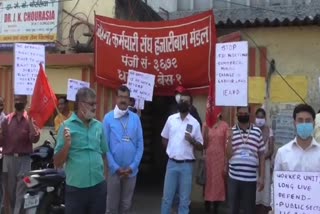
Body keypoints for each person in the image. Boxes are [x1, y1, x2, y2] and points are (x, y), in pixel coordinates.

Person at [53, 88, 108, 214]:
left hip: (98, 188)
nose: (95, 107)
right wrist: (67, 145)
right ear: (81, 104)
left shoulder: (98, 126)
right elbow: (57, 162)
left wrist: (104, 180)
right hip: (76, 190)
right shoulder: (66, 127)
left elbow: (104, 153)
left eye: (95, 104)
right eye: (91, 104)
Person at [268, 104, 320, 214]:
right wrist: (275, 207)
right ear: (294, 123)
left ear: (314, 123)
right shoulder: (282, 153)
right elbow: (275, 184)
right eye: (300, 120)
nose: (304, 124)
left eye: (308, 120)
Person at [160, 91, 203, 214]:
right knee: (167, 199)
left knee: (184, 200)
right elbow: (164, 137)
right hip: (172, 164)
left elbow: (201, 146)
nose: (183, 103)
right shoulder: (171, 119)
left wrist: (193, 141)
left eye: (186, 101)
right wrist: (171, 151)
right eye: (181, 101)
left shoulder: (194, 123)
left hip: (187, 166)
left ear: (190, 105)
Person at [103, 85, 144, 214]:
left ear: (129, 100)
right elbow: (105, 146)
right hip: (114, 171)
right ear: (116, 98)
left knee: (126, 205)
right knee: (111, 207)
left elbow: (140, 144)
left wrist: (133, 166)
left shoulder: (135, 118)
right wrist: (115, 167)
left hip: (131, 171)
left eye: (126, 97)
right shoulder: (108, 118)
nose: (123, 100)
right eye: (120, 96)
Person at [0, 95, 40, 214]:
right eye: (16, 99)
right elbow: (1, 140)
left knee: (21, 191)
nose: (18, 102)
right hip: (8, 160)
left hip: (24, 160)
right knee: (10, 191)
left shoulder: (30, 119)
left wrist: (31, 123)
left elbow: (35, 139)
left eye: (20, 100)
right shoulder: (6, 120)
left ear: (25, 101)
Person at [227, 106, 265, 214]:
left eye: (245, 112)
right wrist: (229, 138)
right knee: (233, 209)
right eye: (240, 113)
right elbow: (228, 155)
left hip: (250, 179)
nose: (243, 115)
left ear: (249, 114)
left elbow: (262, 155)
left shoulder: (257, 131)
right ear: (237, 114)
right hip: (233, 178)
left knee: (249, 210)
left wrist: (262, 177)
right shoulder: (231, 131)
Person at [202, 113, 229, 214]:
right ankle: (207, 207)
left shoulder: (225, 125)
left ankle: (216, 209)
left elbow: (227, 145)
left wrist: (226, 162)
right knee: (208, 182)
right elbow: (203, 145)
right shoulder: (205, 124)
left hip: (220, 158)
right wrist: (205, 133)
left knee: (218, 183)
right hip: (209, 158)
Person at [254, 108, 274, 214]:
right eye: (258, 117)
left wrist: (262, 158)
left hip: (265, 164)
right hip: (253, 165)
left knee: (265, 188)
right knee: (255, 190)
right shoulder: (251, 130)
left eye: (262, 117)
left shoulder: (269, 130)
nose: (260, 119)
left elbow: (271, 150)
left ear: (265, 118)